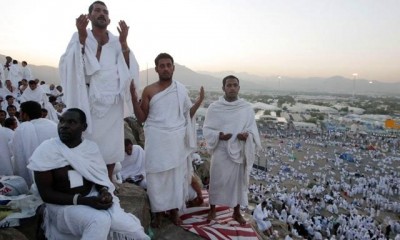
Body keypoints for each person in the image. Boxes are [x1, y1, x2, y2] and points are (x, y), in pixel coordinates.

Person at [27, 108, 149, 240]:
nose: (64, 126)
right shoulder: (46, 150)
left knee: (133, 231)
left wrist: (103, 192)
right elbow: (46, 194)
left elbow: (99, 179)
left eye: (71, 122)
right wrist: (84, 201)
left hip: (92, 197)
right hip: (62, 207)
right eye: (61, 121)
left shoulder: (90, 149)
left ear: (83, 127)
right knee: (99, 221)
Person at [59, 1, 140, 180]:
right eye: (97, 10)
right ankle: (85, 182)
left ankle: (107, 183)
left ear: (109, 19)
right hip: (88, 99)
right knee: (86, 142)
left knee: (111, 145)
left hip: (112, 101)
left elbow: (129, 68)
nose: (101, 13)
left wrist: (124, 43)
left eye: (105, 11)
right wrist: (81, 38)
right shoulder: (79, 36)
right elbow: (69, 65)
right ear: (89, 16)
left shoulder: (116, 42)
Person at [130, 52, 204, 227]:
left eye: (168, 65)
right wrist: (134, 99)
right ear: (156, 69)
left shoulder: (181, 89)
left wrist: (199, 102)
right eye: (161, 65)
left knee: (176, 177)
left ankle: (174, 211)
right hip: (157, 139)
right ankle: (157, 213)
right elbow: (141, 118)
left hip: (176, 140)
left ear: (173, 68)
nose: (165, 68)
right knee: (156, 177)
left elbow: (187, 116)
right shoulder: (149, 90)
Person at [203, 75, 261, 225]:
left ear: (239, 88)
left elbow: (252, 130)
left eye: (235, 85)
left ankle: (236, 212)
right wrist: (219, 136)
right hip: (221, 150)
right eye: (229, 85)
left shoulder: (246, 108)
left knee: (237, 183)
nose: (232, 88)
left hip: (239, 151)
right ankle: (212, 209)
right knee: (217, 180)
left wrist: (246, 136)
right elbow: (207, 129)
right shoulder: (214, 108)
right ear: (223, 88)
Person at [11, 101, 57, 186]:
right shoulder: (53, 124)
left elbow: (19, 156)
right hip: (57, 172)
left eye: (21, 112)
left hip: (38, 174)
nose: (20, 115)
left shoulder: (22, 128)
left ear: (25, 114)